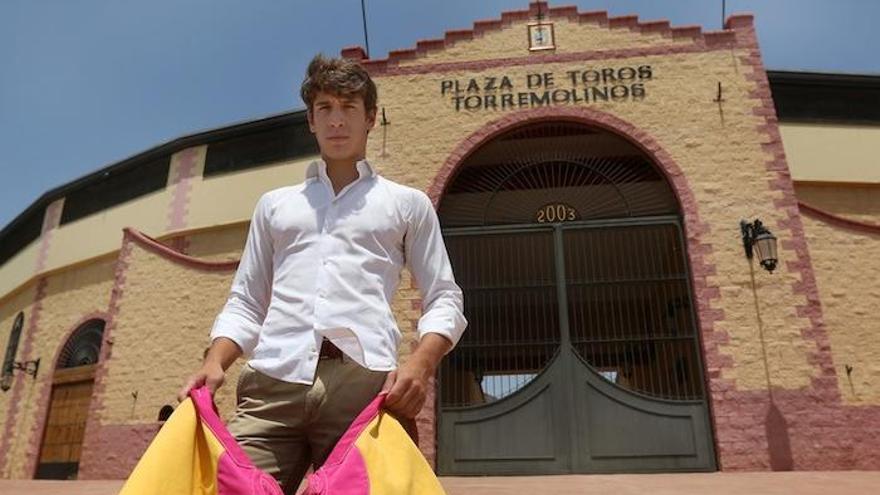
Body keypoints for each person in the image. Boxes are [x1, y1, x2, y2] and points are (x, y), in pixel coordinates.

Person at [177, 54, 467, 494]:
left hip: (364, 387)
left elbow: (444, 296)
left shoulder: (406, 204)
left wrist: (420, 365)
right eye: (325, 109)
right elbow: (247, 300)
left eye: (349, 107)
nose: (336, 120)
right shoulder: (275, 205)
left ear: (370, 118)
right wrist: (215, 360)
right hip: (273, 384)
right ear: (311, 121)